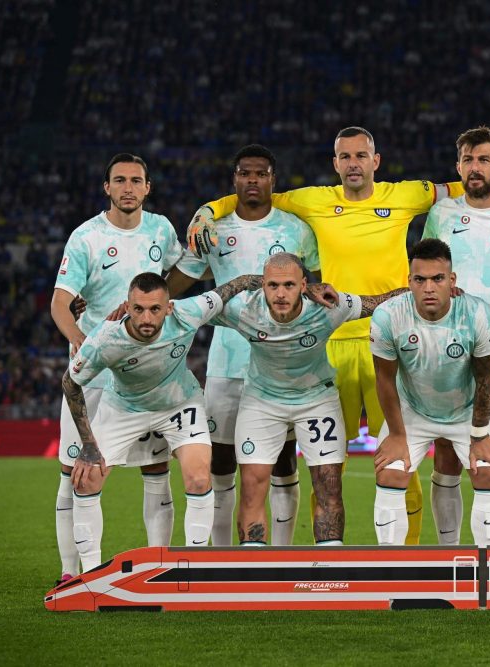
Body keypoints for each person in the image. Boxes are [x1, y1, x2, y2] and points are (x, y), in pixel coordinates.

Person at [187, 126, 490, 544]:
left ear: (376, 160)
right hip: (333, 344)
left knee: (402, 459)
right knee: (325, 468)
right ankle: (324, 555)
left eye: (360, 155)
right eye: (345, 156)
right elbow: (257, 193)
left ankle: (406, 557)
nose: (353, 164)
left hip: (393, 343)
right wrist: (207, 210)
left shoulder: (405, 194)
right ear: (335, 163)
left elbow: (468, 180)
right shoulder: (313, 199)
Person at [167, 144, 321, 547]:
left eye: (261, 173)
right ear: (234, 179)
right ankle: (222, 558)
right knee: (221, 465)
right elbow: (179, 280)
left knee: (283, 465)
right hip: (226, 364)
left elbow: (319, 284)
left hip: (282, 365)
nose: (253, 180)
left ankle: (283, 557)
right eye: (245, 173)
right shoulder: (213, 230)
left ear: (273, 179)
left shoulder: (296, 229)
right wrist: (148, 298)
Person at [63, 272, 262, 571]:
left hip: (179, 403)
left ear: (168, 307)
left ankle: (194, 568)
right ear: (127, 307)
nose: (146, 318)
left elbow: (227, 291)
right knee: (87, 478)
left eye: (155, 309)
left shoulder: (188, 312)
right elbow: (70, 382)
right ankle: (91, 574)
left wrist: (255, 279)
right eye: (139, 309)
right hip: (124, 407)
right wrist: (88, 444)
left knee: (199, 478)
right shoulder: (106, 338)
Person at [50, 153, 183, 584]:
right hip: (93, 378)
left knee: (156, 469)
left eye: (136, 180)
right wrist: (82, 342)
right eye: (120, 180)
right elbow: (59, 302)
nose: (128, 187)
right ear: (107, 187)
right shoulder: (86, 237)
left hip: (146, 373)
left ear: (148, 188)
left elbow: (180, 274)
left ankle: (159, 566)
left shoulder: (161, 229)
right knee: (74, 472)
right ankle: (73, 574)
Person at [210, 252, 405, 545]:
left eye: (289, 285)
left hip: (316, 401)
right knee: (252, 487)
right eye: (273, 285)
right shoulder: (244, 309)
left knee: (329, 487)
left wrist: (426, 290)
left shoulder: (328, 306)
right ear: (262, 285)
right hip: (261, 402)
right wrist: (241, 281)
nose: (280, 294)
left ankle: (329, 564)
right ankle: (254, 565)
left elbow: (379, 302)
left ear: (303, 285)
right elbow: (192, 308)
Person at [421, 126, 490, 545]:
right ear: (458, 167)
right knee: (447, 456)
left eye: (483, 159)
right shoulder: (443, 213)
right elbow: (426, 271)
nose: (475, 167)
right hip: (449, 352)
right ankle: (447, 554)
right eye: (468, 160)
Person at [369, 239, 490, 547]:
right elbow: (385, 379)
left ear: (452, 280)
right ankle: (389, 565)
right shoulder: (388, 316)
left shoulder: (477, 314)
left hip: (467, 411)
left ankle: (487, 564)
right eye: (420, 279)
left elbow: (486, 380)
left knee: (488, 472)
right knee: (390, 471)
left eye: (438, 279)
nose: (429, 288)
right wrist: (397, 435)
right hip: (413, 410)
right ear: (409, 281)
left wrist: (480, 436)